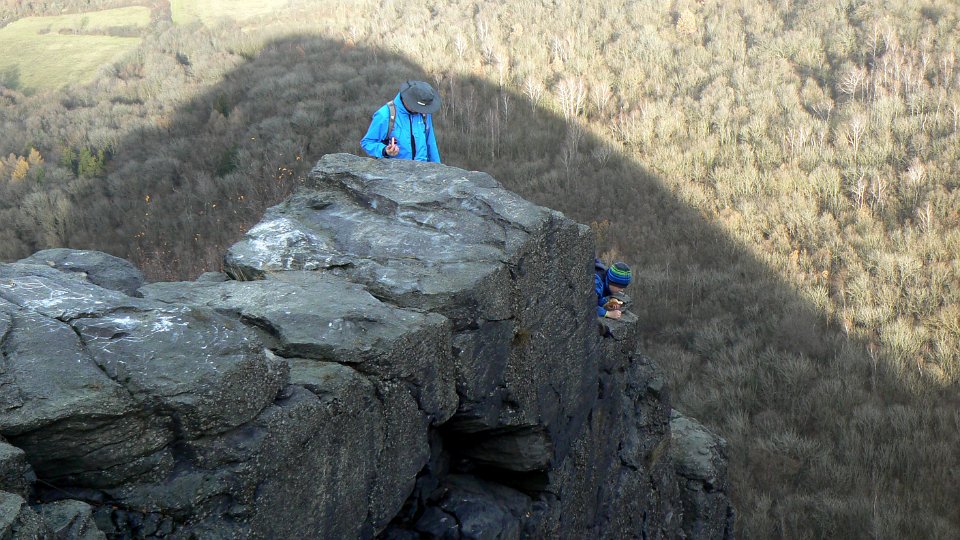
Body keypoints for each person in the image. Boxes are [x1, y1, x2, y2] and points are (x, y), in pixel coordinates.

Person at [361, 80, 441, 163]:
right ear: (407, 100)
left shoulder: (424, 113)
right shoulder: (385, 115)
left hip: (422, 168)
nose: (420, 110)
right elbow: (367, 143)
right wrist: (385, 150)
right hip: (395, 169)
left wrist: (437, 167)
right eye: (417, 107)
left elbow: (431, 143)